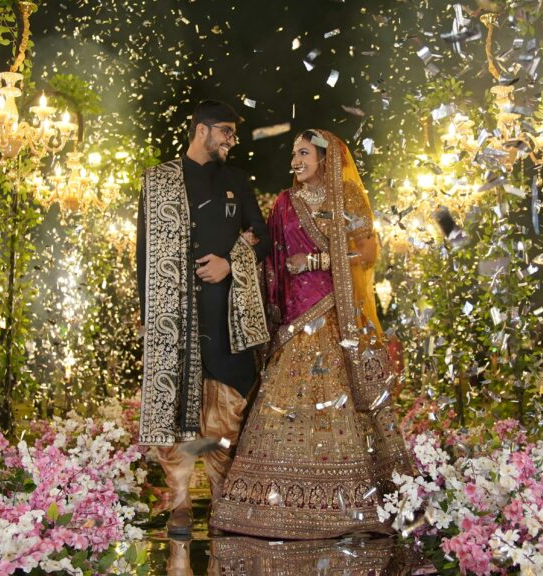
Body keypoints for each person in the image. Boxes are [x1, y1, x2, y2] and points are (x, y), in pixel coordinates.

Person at [209, 129, 413, 539]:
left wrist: (317, 260)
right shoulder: (285, 203)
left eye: (303, 153)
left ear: (324, 158)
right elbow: (271, 257)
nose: (295, 161)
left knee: (340, 400)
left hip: (336, 316)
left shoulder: (346, 196)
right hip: (294, 319)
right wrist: (239, 252)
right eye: (293, 154)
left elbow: (368, 252)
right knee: (283, 402)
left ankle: (351, 502)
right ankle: (274, 502)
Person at [136, 99, 271, 536]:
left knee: (228, 408)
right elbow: (144, 253)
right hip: (173, 314)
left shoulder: (236, 180)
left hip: (226, 314)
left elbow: (261, 235)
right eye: (226, 131)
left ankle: (220, 497)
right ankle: (178, 503)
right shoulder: (159, 181)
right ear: (202, 130)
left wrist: (230, 263)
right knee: (173, 405)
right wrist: (149, 314)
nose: (232, 140)